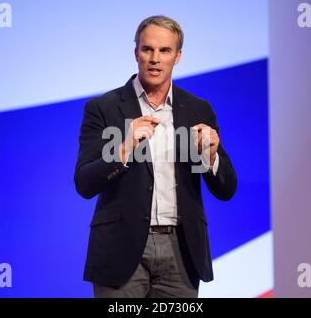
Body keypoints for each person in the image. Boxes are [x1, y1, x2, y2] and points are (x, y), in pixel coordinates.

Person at [74, 15, 237, 298]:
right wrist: (123, 150)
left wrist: (211, 157)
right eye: (147, 49)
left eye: (165, 51)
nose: (155, 59)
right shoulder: (103, 108)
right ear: (135, 51)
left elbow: (226, 189)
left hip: (182, 252)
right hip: (120, 250)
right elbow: (84, 183)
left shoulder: (198, 109)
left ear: (178, 56)